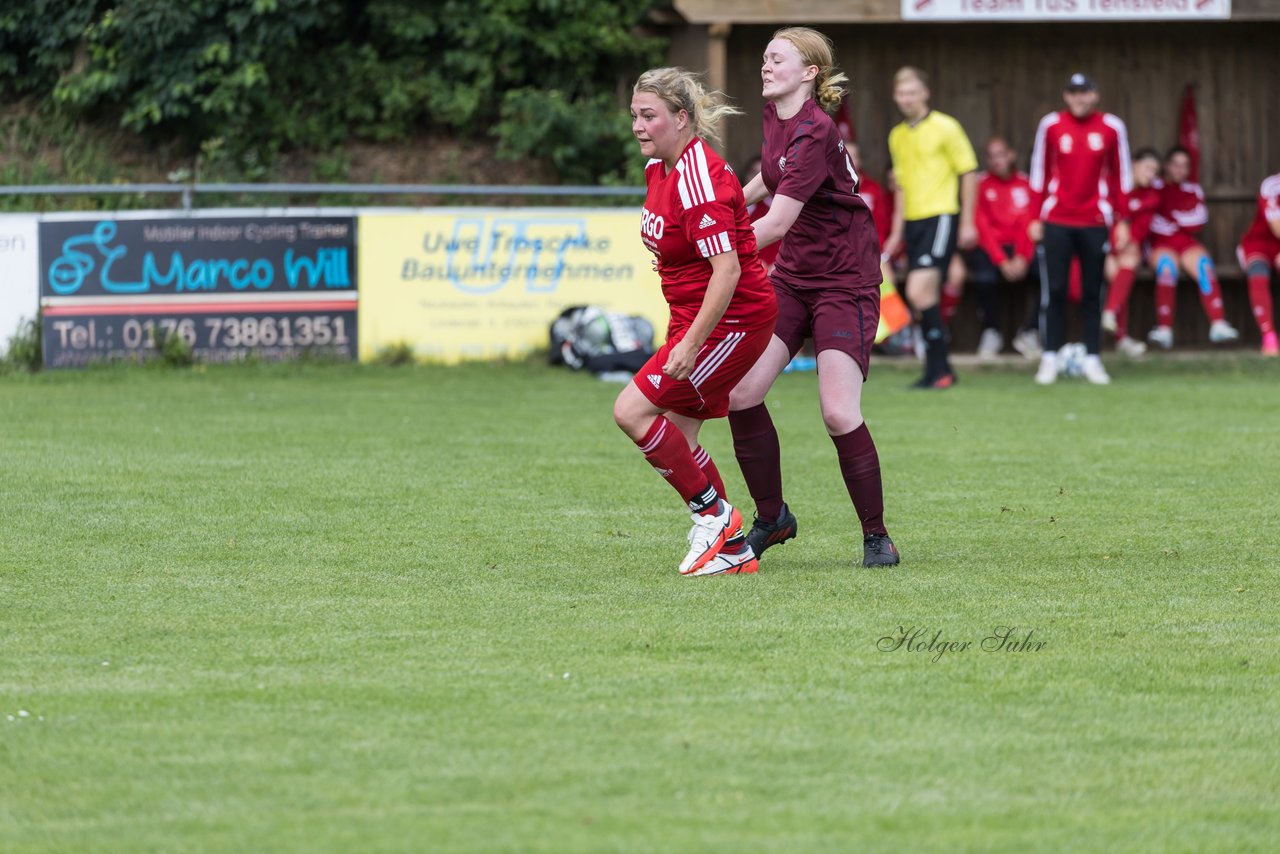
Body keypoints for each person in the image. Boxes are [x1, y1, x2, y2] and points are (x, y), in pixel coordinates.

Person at [729, 26, 899, 568]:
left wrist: (709, 247)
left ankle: (876, 536)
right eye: (763, 58)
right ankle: (772, 518)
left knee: (837, 411)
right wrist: (724, 200)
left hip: (845, 279)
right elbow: (768, 179)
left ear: (809, 74)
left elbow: (776, 223)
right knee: (741, 394)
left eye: (777, 59)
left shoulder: (815, 129)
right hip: (796, 278)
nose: (765, 65)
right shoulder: (776, 117)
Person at [613, 67, 778, 577]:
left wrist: (691, 345)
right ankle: (733, 553)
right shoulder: (659, 169)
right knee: (678, 444)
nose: (639, 126)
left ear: (681, 118)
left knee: (631, 411)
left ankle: (716, 519)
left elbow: (726, 271)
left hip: (730, 322)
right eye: (635, 116)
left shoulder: (697, 178)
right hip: (694, 317)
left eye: (650, 116)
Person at [1028, 72, 1133, 385]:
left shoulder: (1112, 127)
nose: (1079, 98)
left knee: (1092, 293)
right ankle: (1049, 357)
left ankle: (1093, 357)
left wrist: (1123, 219)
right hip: (1057, 218)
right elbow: (1039, 171)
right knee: (1055, 291)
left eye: (1084, 92)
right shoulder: (1051, 125)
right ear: (1066, 96)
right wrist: (1034, 216)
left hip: (1095, 221)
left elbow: (1121, 175)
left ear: (1095, 95)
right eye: (1073, 93)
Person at [883, 66, 979, 389]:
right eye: (901, 93)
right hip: (912, 222)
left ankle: (939, 369)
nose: (906, 98)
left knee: (917, 291)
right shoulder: (896, 136)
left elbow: (968, 172)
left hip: (941, 216)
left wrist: (966, 222)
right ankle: (938, 370)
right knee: (924, 296)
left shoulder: (946, 127)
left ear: (925, 93)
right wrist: (896, 234)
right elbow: (901, 187)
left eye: (912, 92)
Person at [1144, 146, 1240, 349]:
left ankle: (1218, 323)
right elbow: (1150, 220)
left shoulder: (1193, 189)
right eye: (1175, 165)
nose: (1179, 170)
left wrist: (1172, 218)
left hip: (1185, 243)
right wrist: (1179, 218)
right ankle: (1164, 329)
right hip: (1159, 244)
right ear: (1167, 166)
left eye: (1184, 166)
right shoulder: (1154, 186)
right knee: (1167, 268)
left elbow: (1198, 220)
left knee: (1204, 265)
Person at [967, 136, 1043, 359]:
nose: (996, 160)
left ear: (1011, 155)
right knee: (985, 278)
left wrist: (1022, 256)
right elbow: (982, 227)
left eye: (1000, 154)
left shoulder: (1026, 184)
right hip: (992, 249)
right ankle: (992, 331)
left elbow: (1029, 223)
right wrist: (1002, 260)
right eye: (991, 156)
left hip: (1021, 249)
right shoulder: (980, 185)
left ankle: (1030, 332)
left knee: (1049, 274)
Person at [1101, 147, 1163, 358]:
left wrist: (1126, 243)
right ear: (1133, 164)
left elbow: (1141, 229)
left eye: (1155, 171)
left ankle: (1111, 315)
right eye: (1147, 168)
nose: (1151, 175)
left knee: (1128, 262)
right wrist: (1109, 249)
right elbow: (1103, 218)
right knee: (1121, 273)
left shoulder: (1152, 196)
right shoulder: (1112, 187)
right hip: (1101, 246)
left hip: (1128, 249)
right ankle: (1119, 333)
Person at [1236, 171, 1280, 356]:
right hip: (1259, 244)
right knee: (1258, 274)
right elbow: (1278, 228)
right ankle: (1268, 336)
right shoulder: (1272, 185)